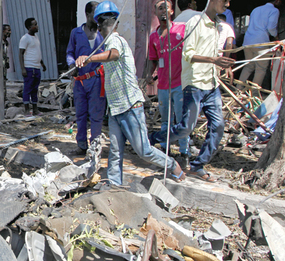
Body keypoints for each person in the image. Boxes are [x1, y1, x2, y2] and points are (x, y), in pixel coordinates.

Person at [77, 1, 186, 186]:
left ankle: (173, 166)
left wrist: (89, 59)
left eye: (107, 23)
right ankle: (114, 186)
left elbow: (114, 54)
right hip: (116, 109)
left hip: (129, 106)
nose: (105, 27)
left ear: (114, 25)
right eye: (103, 23)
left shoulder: (115, 41)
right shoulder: (107, 44)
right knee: (116, 151)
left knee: (143, 150)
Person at [150, 0, 235, 182]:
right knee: (185, 128)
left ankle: (197, 165)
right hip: (194, 84)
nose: (227, 4)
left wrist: (223, 65)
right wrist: (214, 60)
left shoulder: (217, 26)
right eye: (224, 0)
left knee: (218, 126)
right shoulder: (195, 23)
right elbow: (187, 54)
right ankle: (152, 139)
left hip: (212, 84)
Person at [146, 0, 190, 167]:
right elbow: (153, 59)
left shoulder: (182, 29)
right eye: (159, 9)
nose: (163, 11)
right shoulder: (154, 36)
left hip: (180, 84)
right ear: (155, 13)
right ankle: (165, 151)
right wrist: (150, 74)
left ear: (172, 11)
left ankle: (184, 153)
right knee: (165, 121)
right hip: (163, 85)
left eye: (166, 8)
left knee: (181, 122)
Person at [66, 1, 106, 156]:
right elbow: (70, 52)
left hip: (96, 80)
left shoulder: (103, 33)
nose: (98, 17)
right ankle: (81, 145)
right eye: (95, 13)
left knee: (96, 114)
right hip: (80, 81)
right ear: (88, 14)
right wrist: (71, 65)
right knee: (81, 114)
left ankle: (94, 147)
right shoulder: (76, 33)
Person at [237, 0, 281, 90]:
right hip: (261, 42)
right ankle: (254, 93)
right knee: (261, 68)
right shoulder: (274, 10)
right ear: (277, 1)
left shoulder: (256, 9)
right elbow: (271, 27)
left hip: (248, 41)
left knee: (249, 66)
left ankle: (238, 89)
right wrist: (276, 36)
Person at [19, 18, 47, 116]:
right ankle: (27, 110)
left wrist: (42, 63)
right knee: (28, 88)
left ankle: (35, 109)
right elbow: (21, 54)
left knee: (35, 89)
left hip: (37, 67)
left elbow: (37, 52)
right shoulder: (25, 38)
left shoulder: (36, 37)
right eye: (35, 24)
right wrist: (23, 68)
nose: (37, 26)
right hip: (29, 67)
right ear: (29, 27)